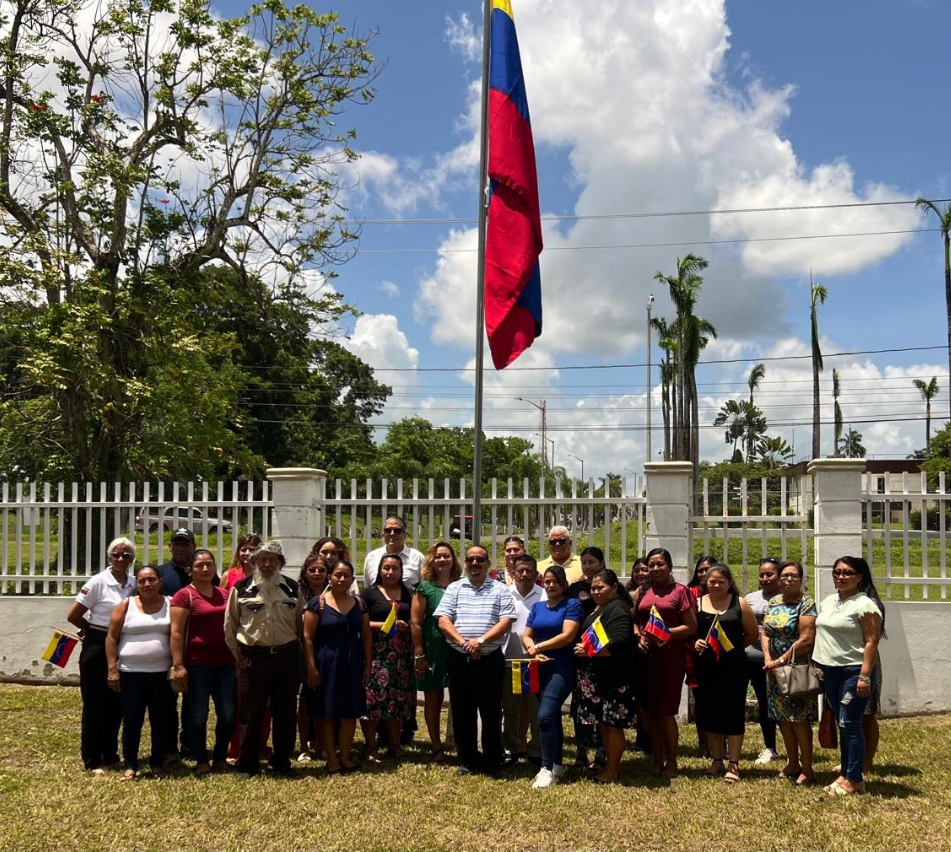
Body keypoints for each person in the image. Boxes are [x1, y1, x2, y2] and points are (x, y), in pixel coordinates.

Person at [435, 544, 516, 776]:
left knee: (491, 711)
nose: (475, 564)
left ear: (488, 564)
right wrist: (465, 644)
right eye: (470, 559)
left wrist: (479, 642)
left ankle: (492, 760)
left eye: (480, 559)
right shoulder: (454, 588)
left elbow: (506, 622)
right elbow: (443, 621)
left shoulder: (500, 590)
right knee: (462, 711)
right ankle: (468, 759)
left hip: (490, 659)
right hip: (460, 659)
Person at [224, 540, 303, 777]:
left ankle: (281, 762)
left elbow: (299, 623)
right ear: (254, 562)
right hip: (252, 658)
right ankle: (247, 763)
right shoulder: (241, 588)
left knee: (286, 712)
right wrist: (242, 657)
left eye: (272, 560)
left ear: (280, 564)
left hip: (285, 655)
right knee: (250, 712)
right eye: (262, 560)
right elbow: (230, 626)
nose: (267, 564)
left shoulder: (292, 588)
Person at [813, 555, 885, 796]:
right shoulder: (829, 601)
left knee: (850, 724)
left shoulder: (865, 605)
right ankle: (845, 774)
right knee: (842, 724)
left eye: (847, 573)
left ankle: (855, 779)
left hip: (853, 671)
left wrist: (865, 676)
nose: (841, 577)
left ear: (859, 577)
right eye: (837, 572)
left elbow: (871, 641)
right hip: (830, 671)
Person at [65, 536, 137, 773]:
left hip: (122, 643)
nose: (120, 559)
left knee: (116, 703)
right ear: (109, 557)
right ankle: (93, 758)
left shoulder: (134, 583)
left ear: (131, 559)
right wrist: (88, 631)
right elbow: (73, 615)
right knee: (95, 703)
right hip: (97, 644)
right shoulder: (97, 582)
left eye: (125, 555)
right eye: (116, 554)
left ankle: (110, 753)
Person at [169, 549, 236, 777]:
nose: (205, 569)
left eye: (209, 564)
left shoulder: (225, 594)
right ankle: (200, 760)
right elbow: (176, 632)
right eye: (199, 565)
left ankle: (219, 758)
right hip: (197, 664)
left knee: (228, 714)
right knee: (198, 715)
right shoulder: (184, 596)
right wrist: (178, 665)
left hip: (225, 663)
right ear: (190, 569)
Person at [104, 564, 174, 781]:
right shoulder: (126, 605)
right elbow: (111, 637)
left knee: (160, 720)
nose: (147, 584)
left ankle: (157, 763)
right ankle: (131, 765)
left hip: (161, 673)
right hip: (131, 673)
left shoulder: (171, 604)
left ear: (160, 582)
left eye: (152, 579)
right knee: (132, 720)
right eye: (142, 580)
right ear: (137, 584)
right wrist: (112, 668)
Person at [302, 560, 372, 774]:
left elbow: (367, 636)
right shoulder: (318, 603)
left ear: (352, 579)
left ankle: (346, 757)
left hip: (352, 664)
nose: (342, 579)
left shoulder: (359, 604)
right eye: (337, 575)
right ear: (330, 577)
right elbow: (307, 637)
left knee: (349, 713)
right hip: (326, 665)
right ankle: (331, 759)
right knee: (328, 713)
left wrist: (368, 666)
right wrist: (311, 668)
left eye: (346, 576)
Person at [633, 547, 697, 778]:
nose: (655, 568)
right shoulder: (642, 590)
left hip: (670, 659)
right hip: (646, 658)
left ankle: (672, 761)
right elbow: (634, 620)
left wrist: (664, 632)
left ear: (670, 566)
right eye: (651, 565)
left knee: (667, 713)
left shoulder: (681, 592)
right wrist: (640, 635)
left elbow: (691, 627)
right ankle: (657, 760)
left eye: (660, 564)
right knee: (650, 713)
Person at [693, 563, 759, 784]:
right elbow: (693, 632)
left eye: (721, 581)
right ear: (706, 583)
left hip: (734, 667)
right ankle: (717, 760)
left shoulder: (739, 603)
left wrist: (732, 647)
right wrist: (698, 643)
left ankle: (734, 763)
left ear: (729, 583)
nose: (716, 585)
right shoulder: (698, 603)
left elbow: (751, 634)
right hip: (707, 667)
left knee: (732, 714)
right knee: (711, 714)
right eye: (712, 581)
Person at [572, 569, 637, 784]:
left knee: (612, 725)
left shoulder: (617, 608)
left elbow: (619, 642)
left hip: (612, 679)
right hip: (598, 679)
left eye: (601, 587)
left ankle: (612, 769)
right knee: (604, 723)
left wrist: (590, 651)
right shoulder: (600, 607)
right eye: (593, 587)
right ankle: (609, 765)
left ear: (614, 587)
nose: (596, 591)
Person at [523, 565, 583, 788]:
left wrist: (537, 647)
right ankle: (557, 763)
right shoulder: (538, 607)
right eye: (546, 582)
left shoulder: (572, 605)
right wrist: (532, 649)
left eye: (554, 582)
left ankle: (546, 769)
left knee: (545, 715)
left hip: (561, 667)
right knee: (551, 716)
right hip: (537, 667)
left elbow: (567, 636)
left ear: (564, 584)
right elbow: (526, 635)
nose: (550, 586)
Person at [762, 560, 818, 785]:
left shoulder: (806, 604)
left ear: (801, 578)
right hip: (773, 670)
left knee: (799, 719)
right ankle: (792, 761)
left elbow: (806, 639)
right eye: (784, 575)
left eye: (793, 576)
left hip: (796, 669)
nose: (788, 579)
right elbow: (765, 631)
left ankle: (807, 767)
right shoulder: (774, 601)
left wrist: (782, 659)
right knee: (782, 717)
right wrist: (768, 658)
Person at [359, 553, 415, 762]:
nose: (390, 572)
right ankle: (370, 746)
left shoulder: (409, 594)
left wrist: (407, 627)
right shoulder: (370, 594)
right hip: (375, 653)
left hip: (401, 655)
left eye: (395, 568)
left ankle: (395, 744)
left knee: (396, 699)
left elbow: (417, 621)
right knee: (372, 699)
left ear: (401, 572)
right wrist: (383, 626)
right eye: (386, 568)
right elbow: (359, 621)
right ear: (380, 570)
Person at [412, 541, 462, 763]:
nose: (442, 560)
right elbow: (415, 622)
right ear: (432, 560)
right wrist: (420, 654)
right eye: (438, 556)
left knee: (461, 697)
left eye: (447, 556)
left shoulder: (463, 585)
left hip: (458, 648)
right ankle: (436, 746)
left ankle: (462, 743)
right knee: (434, 698)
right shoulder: (425, 587)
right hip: (433, 648)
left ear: (453, 560)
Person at [501, 553, 546, 766]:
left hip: (533, 663)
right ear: (513, 572)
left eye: (529, 570)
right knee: (511, 709)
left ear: (537, 573)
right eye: (521, 570)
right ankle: (513, 747)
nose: (525, 574)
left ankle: (536, 749)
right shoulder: (504, 593)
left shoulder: (545, 595)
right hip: (510, 661)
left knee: (536, 709)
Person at [567, 545, 605, 769]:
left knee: (601, 706)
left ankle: (601, 754)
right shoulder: (576, 588)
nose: (588, 567)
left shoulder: (611, 587)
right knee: (579, 706)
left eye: (592, 562)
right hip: (579, 655)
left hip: (602, 656)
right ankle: (581, 753)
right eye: (585, 563)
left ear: (601, 564)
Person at [296, 545, 336, 761]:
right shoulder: (297, 593)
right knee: (305, 701)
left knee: (324, 700)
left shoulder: (334, 592)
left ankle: (322, 744)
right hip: (302, 653)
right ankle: (304, 747)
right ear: (305, 572)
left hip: (327, 653)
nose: (317, 573)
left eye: (321, 570)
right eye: (312, 570)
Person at [746, 557, 782, 765]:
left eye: (770, 574)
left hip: (772, 662)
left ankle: (771, 747)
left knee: (767, 705)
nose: (765, 578)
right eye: (762, 574)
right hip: (747, 659)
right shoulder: (750, 598)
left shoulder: (786, 599)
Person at [685, 555, 715, 757]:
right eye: (700, 570)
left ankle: (720, 741)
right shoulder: (690, 593)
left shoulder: (723, 592)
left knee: (718, 700)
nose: (704, 574)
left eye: (708, 570)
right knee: (701, 701)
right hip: (694, 652)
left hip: (719, 653)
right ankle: (703, 743)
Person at [363, 514, 425, 590]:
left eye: (397, 531)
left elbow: (423, 589)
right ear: (383, 534)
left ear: (404, 535)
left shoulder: (417, 558)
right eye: (388, 531)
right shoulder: (372, 557)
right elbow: (368, 587)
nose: (392, 534)